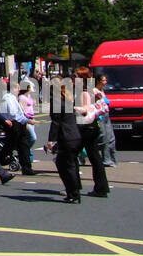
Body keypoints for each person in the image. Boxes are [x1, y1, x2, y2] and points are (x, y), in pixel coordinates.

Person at [72, 66, 109, 197]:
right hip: (93, 126)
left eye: (76, 76)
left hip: (85, 127)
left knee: (71, 156)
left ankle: (74, 187)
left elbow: (85, 110)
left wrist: (72, 107)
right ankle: (101, 187)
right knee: (95, 157)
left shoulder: (85, 92)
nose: (74, 78)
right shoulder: (92, 91)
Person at [47, 77, 82, 203]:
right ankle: (75, 190)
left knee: (64, 165)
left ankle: (73, 193)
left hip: (66, 137)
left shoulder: (56, 102)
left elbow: (56, 123)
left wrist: (51, 140)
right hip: (75, 135)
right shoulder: (67, 99)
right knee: (71, 164)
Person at [92, 71, 117, 168]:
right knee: (104, 138)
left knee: (111, 138)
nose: (106, 82)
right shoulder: (94, 91)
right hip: (100, 116)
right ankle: (106, 160)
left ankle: (112, 159)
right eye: (104, 80)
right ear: (98, 81)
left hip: (106, 116)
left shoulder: (102, 90)